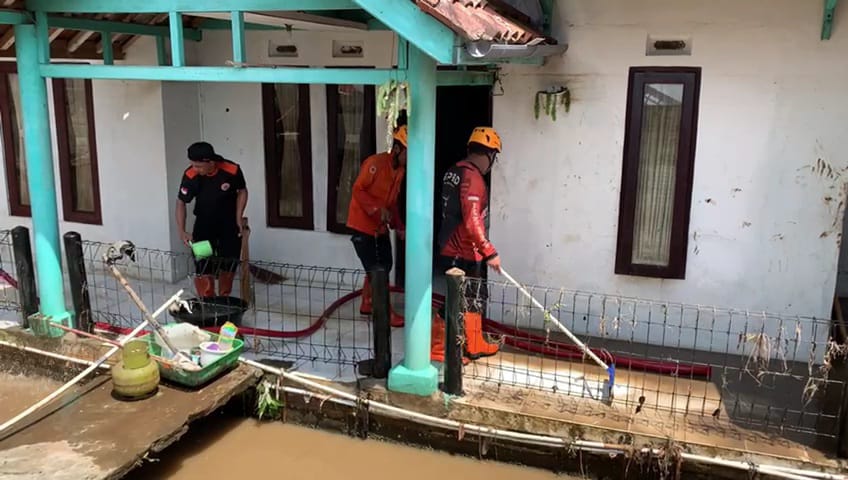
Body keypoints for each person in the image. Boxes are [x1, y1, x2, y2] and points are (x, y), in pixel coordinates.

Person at [431, 127, 503, 361]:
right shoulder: (473, 178)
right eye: (494, 157)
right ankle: (442, 348)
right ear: (489, 154)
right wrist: (489, 251)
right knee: (462, 299)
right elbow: (472, 219)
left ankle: (473, 343)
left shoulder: (454, 171)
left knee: (468, 299)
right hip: (464, 250)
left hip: (451, 247)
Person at [346, 125, 408, 328]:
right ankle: (385, 314)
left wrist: (399, 225)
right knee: (377, 270)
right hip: (361, 226)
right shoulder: (375, 163)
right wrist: (375, 208)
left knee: (384, 265)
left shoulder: (400, 171)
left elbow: (392, 202)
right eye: (409, 153)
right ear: (398, 149)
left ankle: (367, 303)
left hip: (379, 228)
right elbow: (357, 189)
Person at [175, 141, 248, 298]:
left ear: (210, 162)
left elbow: (242, 191)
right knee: (203, 262)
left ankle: (224, 298)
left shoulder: (231, 169)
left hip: (228, 224)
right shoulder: (190, 175)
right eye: (193, 165)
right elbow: (181, 202)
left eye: (199, 166)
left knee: (229, 260)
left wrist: (238, 217)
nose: (195, 169)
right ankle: (207, 299)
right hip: (203, 225)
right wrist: (182, 231)